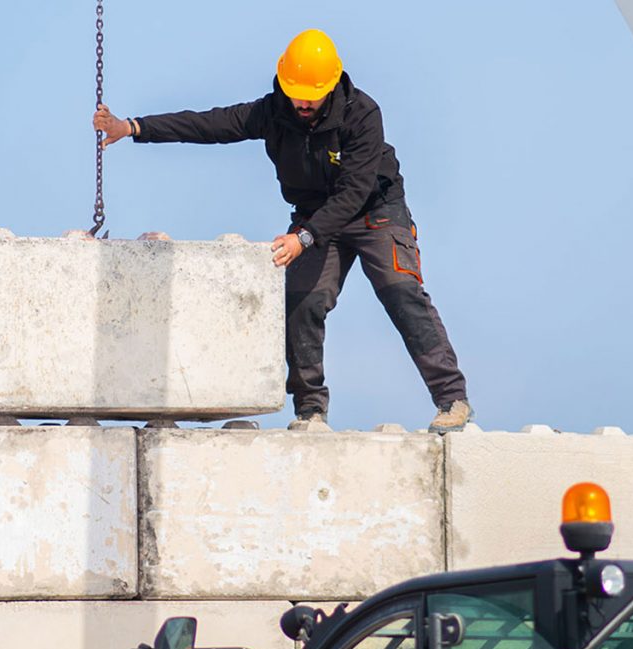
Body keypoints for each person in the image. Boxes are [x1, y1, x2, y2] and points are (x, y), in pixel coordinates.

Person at [93, 29, 473, 433]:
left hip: (374, 211)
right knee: (302, 301)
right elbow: (210, 125)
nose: (303, 102)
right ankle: (310, 411)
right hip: (311, 214)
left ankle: (452, 399)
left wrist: (304, 238)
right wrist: (131, 127)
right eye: (296, 93)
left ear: (330, 87)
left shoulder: (362, 114)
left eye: (311, 94)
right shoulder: (273, 112)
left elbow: (355, 190)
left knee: (401, 292)